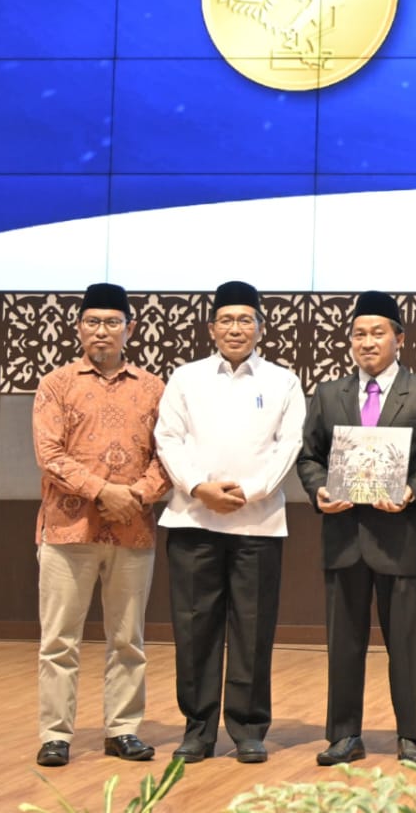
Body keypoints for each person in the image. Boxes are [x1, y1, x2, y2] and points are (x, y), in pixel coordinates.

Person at [296, 290, 416, 766]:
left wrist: (412, 490)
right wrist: (318, 491)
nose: (367, 343)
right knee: (343, 644)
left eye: (377, 333)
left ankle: (412, 736)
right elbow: (309, 458)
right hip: (343, 536)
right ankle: (344, 735)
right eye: (358, 334)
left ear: (399, 339)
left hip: (402, 537)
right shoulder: (330, 395)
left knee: (407, 643)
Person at [154, 280, 304, 764]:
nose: (236, 328)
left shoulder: (282, 381)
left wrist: (252, 492)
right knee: (195, 629)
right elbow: (167, 439)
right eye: (227, 320)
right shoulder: (185, 378)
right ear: (212, 327)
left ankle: (248, 728)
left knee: (252, 630)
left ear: (261, 327)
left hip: (258, 524)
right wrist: (199, 487)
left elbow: (290, 445)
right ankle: (198, 729)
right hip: (192, 521)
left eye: (246, 320)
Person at [32, 283, 169, 767]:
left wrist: (134, 496)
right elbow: (49, 456)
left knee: (128, 639)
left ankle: (123, 729)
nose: (102, 331)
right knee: (59, 640)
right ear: (78, 328)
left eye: (113, 322)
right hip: (68, 531)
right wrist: (102, 492)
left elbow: (167, 456)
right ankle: (55, 734)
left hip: (133, 531)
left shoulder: (154, 387)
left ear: (130, 329)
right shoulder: (56, 384)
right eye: (93, 322)